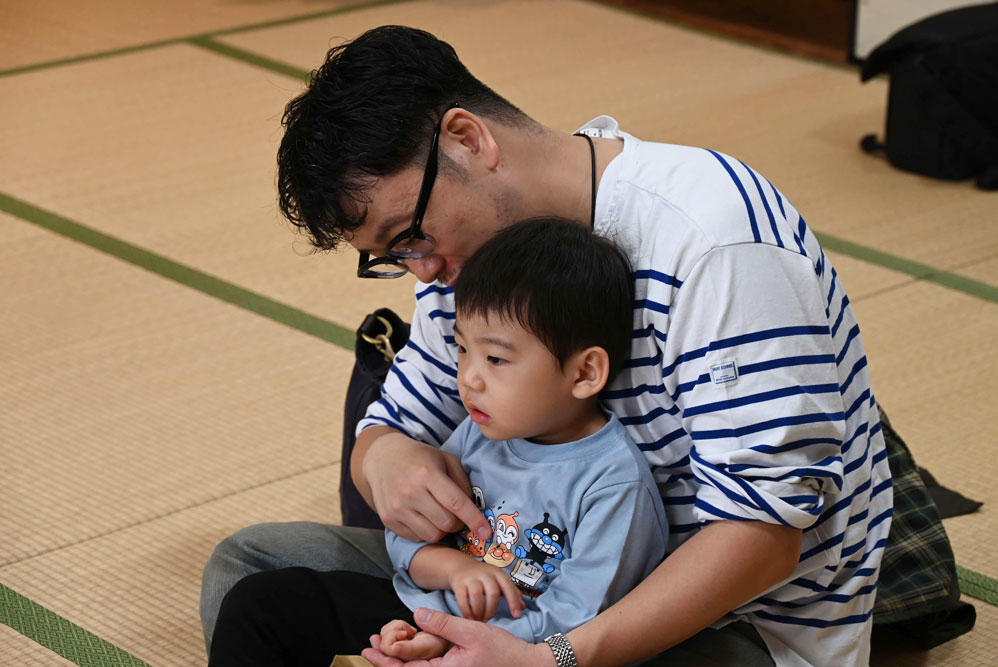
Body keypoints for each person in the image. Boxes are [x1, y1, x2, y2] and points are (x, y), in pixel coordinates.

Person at [201, 25, 893, 667]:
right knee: (252, 565)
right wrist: (384, 458)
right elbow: (392, 426)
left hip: (728, 623)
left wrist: (547, 657)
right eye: (392, 256)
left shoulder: (713, 241)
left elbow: (763, 538)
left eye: (409, 236)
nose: (421, 271)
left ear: (468, 140)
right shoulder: (468, 263)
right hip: (512, 584)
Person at [206, 218, 668, 665]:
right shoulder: (480, 430)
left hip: (519, 655)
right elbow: (407, 535)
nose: (469, 378)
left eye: (496, 359)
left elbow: (575, 622)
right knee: (262, 604)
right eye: (463, 349)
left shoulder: (614, 485)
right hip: (423, 615)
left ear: (584, 372)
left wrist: (449, 644)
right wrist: (453, 572)